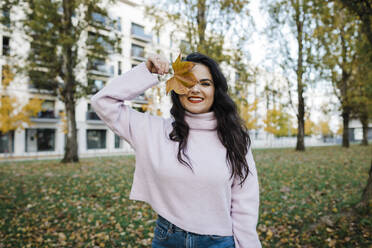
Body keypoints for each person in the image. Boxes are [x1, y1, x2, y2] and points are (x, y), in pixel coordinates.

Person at [91, 52, 262, 248]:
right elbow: (102, 102)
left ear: (216, 90)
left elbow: (244, 203)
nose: (195, 89)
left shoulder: (235, 138)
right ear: (177, 87)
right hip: (168, 239)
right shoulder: (153, 130)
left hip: (219, 241)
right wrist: (147, 72)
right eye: (187, 82)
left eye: (205, 83)